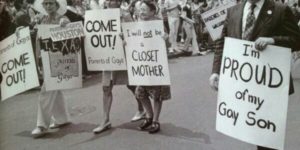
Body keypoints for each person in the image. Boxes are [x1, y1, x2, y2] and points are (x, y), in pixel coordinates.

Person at [209, 0, 300, 149]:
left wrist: (273, 41)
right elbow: (222, 43)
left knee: (267, 139)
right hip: (242, 84)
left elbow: (297, 40)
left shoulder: (280, 10)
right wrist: (215, 72)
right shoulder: (233, 11)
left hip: (269, 86)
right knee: (249, 130)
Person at [92, 0, 145, 134]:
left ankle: (142, 108)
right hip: (108, 55)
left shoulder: (125, 15)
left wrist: (125, 37)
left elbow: (134, 34)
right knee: (106, 87)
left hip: (123, 55)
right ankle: (105, 120)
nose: (109, 1)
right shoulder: (100, 15)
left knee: (131, 84)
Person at [31, 0, 72, 138]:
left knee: (46, 91)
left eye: (51, 3)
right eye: (46, 4)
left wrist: (65, 25)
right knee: (55, 90)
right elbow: (37, 38)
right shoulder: (42, 20)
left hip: (59, 61)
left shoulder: (62, 18)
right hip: (45, 60)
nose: (48, 6)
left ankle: (41, 125)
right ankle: (63, 118)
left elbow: (71, 30)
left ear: (57, 5)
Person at [134, 0, 171, 134]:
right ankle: (149, 117)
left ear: (152, 11)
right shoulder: (137, 25)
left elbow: (167, 45)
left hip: (156, 63)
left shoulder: (159, 24)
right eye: (140, 9)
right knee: (140, 92)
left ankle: (155, 120)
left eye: (144, 9)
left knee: (157, 93)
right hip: (143, 63)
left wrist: (165, 39)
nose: (141, 12)